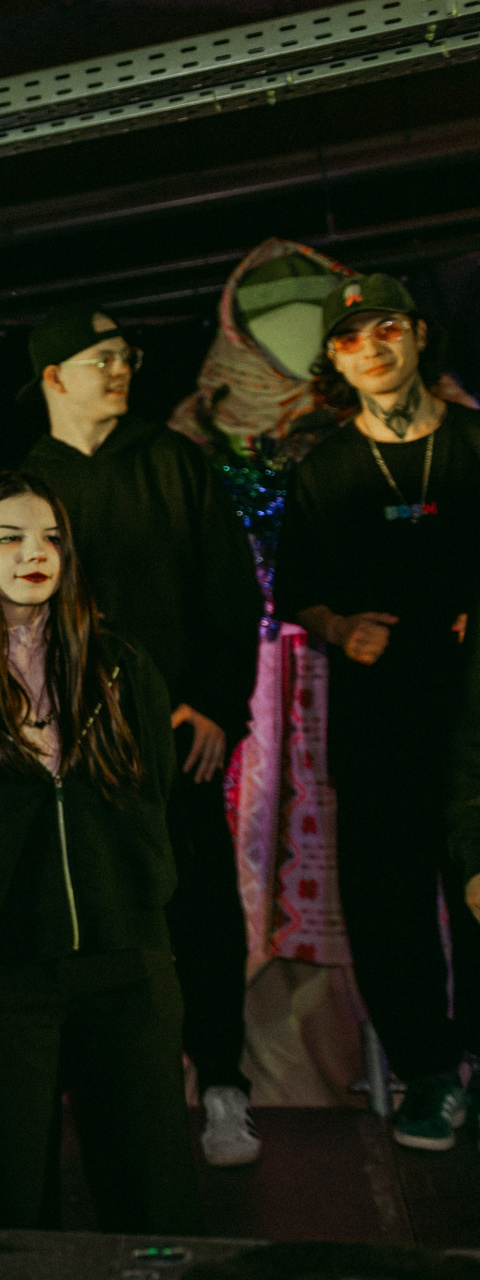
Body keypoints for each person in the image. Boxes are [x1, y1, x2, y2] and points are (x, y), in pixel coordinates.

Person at [0, 471, 200, 1233]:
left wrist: (158, 951)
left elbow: (160, 812)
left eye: (51, 538)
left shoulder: (120, 665)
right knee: (10, 1218)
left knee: (156, 1214)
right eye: (8, 538)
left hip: (127, 970)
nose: (33, 553)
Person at [19, 302, 264, 1168]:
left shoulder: (174, 461)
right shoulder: (27, 485)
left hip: (177, 738)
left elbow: (231, 593)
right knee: (92, 921)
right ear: (55, 377)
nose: (121, 369)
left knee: (200, 906)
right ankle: (116, 1099)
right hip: (70, 752)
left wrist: (216, 705)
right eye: (103, 358)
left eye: (127, 355)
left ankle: (224, 1085)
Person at [279, 274, 480, 1152]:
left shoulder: (473, 443)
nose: (372, 348)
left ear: (420, 335)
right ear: (336, 358)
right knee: (388, 902)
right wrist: (340, 627)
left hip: (475, 713)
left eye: (387, 327)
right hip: (378, 719)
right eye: (352, 337)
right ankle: (429, 1074)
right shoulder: (324, 470)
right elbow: (298, 592)